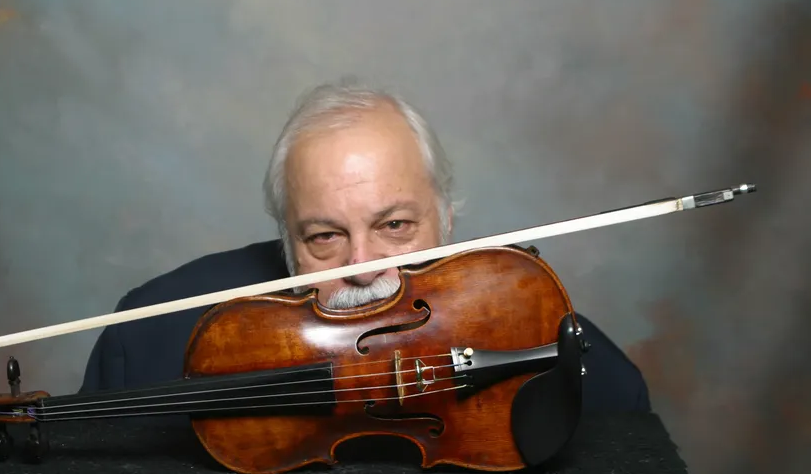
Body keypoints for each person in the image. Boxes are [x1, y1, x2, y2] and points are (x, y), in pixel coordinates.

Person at [79, 81, 651, 413]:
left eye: (394, 226)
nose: (363, 267)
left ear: (445, 221)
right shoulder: (146, 339)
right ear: (288, 241)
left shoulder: (571, 362)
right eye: (325, 236)